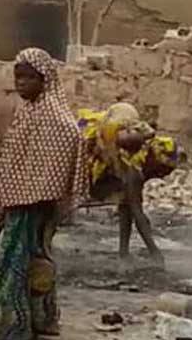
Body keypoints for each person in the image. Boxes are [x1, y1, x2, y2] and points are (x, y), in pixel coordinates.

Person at [0, 47, 89, 340]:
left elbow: (72, 138)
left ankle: (12, 327)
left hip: (34, 205)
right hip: (20, 201)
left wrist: (45, 191)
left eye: (29, 78)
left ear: (45, 79)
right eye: (18, 77)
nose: (21, 84)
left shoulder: (53, 116)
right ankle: (40, 320)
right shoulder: (29, 110)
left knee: (14, 261)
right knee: (34, 262)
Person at [76, 101, 180, 260]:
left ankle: (123, 253)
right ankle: (126, 253)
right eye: (162, 171)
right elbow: (138, 214)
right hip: (108, 159)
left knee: (126, 206)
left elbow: (128, 209)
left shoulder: (137, 156)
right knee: (130, 206)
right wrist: (155, 251)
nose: (162, 175)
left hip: (113, 145)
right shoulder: (134, 170)